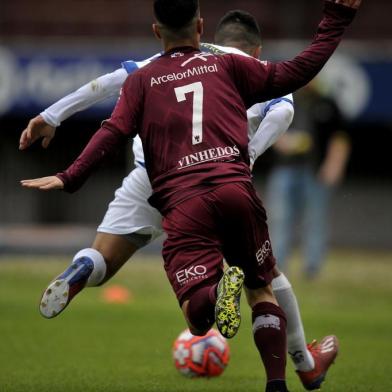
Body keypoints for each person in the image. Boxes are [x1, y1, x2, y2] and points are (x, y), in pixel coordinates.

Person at [21, 0, 361, 390]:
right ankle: (301, 365)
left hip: (155, 176)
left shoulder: (150, 69)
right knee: (263, 281)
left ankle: (85, 267)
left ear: (159, 31)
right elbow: (284, 107)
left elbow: (109, 97)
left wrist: (55, 127)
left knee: (110, 256)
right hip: (223, 177)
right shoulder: (234, 65)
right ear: (202, 28)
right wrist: (246, 157)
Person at [267, 81, 351, 279]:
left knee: (315, 219)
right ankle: (277, 267)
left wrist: (335, 165)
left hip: (316, 171)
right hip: (285, 169)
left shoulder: (327, 103)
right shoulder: (285, 100)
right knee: (280, 218)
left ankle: (312, 267)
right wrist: (282, 142)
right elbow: (267, 127)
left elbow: (340, 137)